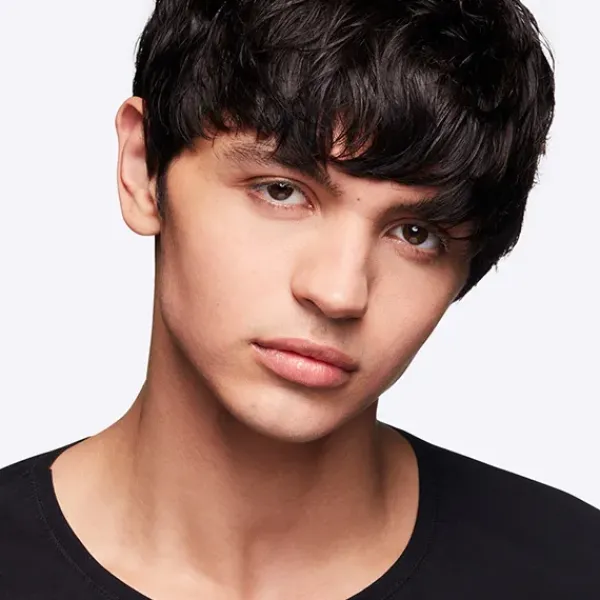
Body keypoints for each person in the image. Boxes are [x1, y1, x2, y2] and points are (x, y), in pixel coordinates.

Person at [0, 0, 598, 598]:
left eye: (416, 234)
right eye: (281, 192)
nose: (338, 293)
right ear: (143, 166)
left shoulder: (572, 569)